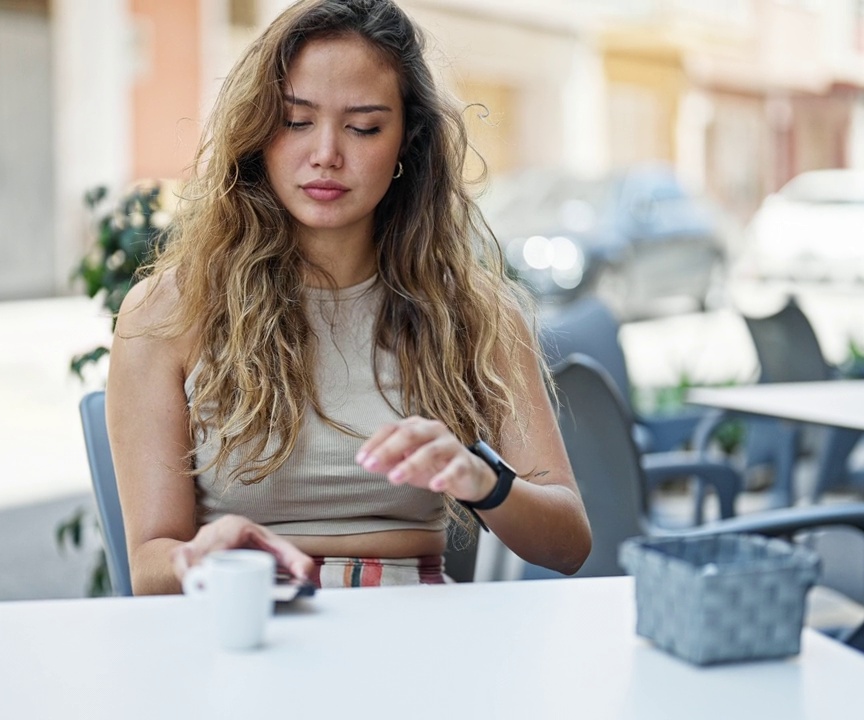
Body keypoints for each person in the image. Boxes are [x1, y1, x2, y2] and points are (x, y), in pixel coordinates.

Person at [107, 0, 591, 595]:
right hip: (251, 619)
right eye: (295, 121)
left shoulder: (476, 311)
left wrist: (483, 477)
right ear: (258, 132)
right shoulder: (166, 312)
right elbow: (149, 567)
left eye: (363, 126)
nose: (327, 154)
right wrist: (199, 562)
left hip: (412, 631)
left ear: (406, 146)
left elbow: (569, 544)